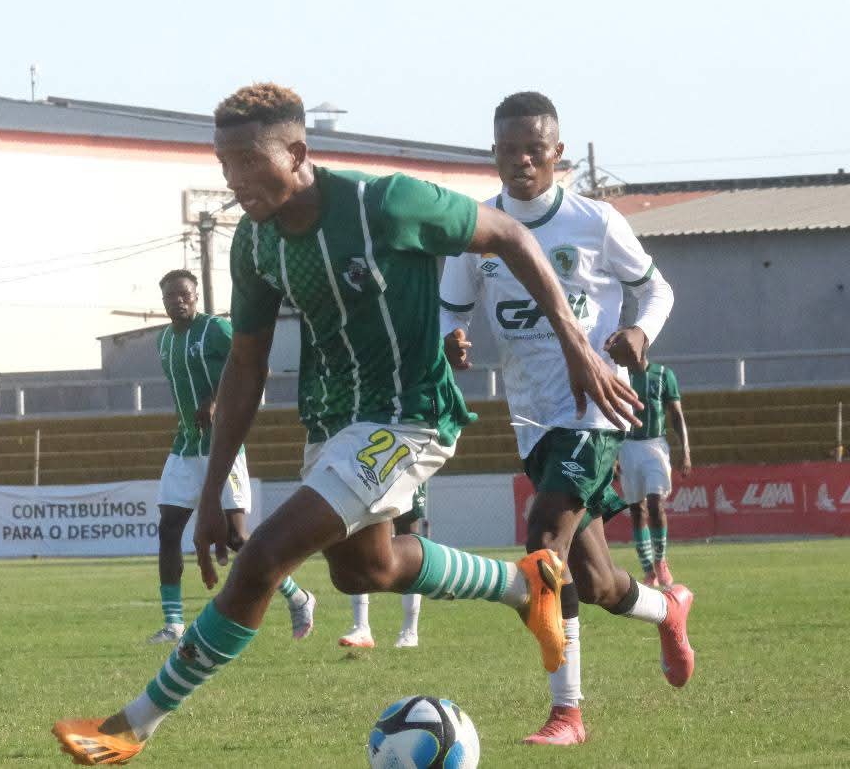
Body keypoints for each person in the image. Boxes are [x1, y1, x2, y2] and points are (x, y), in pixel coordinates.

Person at [53, 82, 641, 765]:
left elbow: (507, 233)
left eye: (248, 160)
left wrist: (575, 341)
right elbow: (245, 365)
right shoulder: (255, 243)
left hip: (408, 416)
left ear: (298, 151)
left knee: (264, 558)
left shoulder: (383, 203)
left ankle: (132, 724)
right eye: (223, 163)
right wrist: (212, 489)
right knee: (366, 569)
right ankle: (524, 586)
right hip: (336, 421)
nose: (234, 178)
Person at [439, 91, 695, 747]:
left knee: (541, 538)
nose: (522, 159)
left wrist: (639, 332)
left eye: (535, 148)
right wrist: (452, 338)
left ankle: (567, 713)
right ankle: (668, 607)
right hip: (531, 416)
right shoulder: (476, 227)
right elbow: (452, 307)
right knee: (594, 579)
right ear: (493, 153)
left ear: (557, 153)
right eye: (509, 149)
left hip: (596, 408)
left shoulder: (596, 220)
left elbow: (656, 288)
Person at [149, 269, 315, 644]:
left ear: (195, 296)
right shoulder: (162, 341)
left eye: (184, 294)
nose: (177, 300)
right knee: (168, 527)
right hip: (185, 447)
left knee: (239, 538)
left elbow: (255, 367)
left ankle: (299, 596)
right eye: (170, 296)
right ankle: (173, 624)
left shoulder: (217, 330)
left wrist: (217, 400)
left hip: (223, 446)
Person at [622, 361, 690, 589]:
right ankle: (648, 569)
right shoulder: (620, 374)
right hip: (627, 446)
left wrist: (686, 450)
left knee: (655, 503)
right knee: (636, 508)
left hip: (655, 446)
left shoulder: (663, 374)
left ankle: (660, 560)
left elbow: (676, 414)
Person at [337, 483, 427, 649]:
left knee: (409, 536)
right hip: (369, 468)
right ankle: (361, 627)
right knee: (361, 538)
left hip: (404, 465)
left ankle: (410, 631)